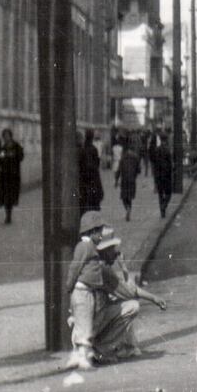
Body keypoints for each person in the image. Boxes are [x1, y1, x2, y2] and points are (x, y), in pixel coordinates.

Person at [89, 235, 167, 363]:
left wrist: (153, 298)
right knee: (132, 306)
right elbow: (129, 292)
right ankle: (101, 349)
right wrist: (124, 267)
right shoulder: (104, 270)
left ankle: (119, 346)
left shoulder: (94, 265)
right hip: (91, 326)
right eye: (112, 249)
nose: (116, 253)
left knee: (118, 303)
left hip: (83, 324)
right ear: (104, 251)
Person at [65, 210, 107, 370]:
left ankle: (77, 356)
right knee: (85, 326)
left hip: (87, 292)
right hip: (82, 292)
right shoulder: (84, 246)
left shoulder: (89, 246)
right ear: (92, 231)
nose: (101, 236)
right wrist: (69, 284)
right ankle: (83, 358)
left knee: (83, 324)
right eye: (100, 232)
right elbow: (75, 267)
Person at [0, 128, 23, 224]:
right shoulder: (3, 148)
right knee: (5, 196)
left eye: (7, 135)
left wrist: (13, 155)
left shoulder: (16, 146)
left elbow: (21, 156)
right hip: (4, 175)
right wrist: (4, 157)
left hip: (14, 175)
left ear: (11, 136)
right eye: (4, 136)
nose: (6, 137)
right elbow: (0, 159)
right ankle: (7, 216)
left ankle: (9, 215)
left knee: (11, 195)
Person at [78, 129, 104, 213]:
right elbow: (97, 163)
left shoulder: (82, 149)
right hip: (93, 179)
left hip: (83, 180)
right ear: (92, 137)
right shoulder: (94, 149)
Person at [116, 139, 141, 222]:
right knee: (129, 196)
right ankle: (129, 209)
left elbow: (118, 170)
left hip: (124, 180)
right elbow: (139, 170)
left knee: (124, 197)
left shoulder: (123, 158)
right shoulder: (136, 157)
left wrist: (116, 180)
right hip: (132, 180)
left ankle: (127, 208)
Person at [153, 134, 173, 218]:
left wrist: (155, 176)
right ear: (166, 140)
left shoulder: (156, 150)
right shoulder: (168, 150)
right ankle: (164, 205)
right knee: (168, 193)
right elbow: (170, 163)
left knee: (160, 194)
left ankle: (162, 212)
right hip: (166, 174)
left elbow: (154, 163)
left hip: (158, 174)